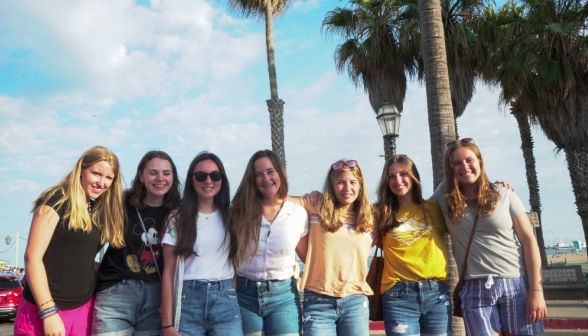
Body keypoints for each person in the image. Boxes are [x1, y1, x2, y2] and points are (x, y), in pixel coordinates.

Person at [431, 138, 546, 336]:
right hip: (473, 288)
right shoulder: (443, 196)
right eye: (457, 163)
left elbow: (528, 241)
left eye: (469, 160)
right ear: (451, 169)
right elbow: (417, 212)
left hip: (515, 283)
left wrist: (536, 290)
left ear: (480, 162)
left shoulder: (504, 193)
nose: (464, 167)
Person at [15, 146, 125, 336]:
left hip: (83, 308)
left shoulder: (96, 209)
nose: (101, 182)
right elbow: (32, 258)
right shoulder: (56, 199)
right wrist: (48, 312)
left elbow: (78, 256)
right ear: (82, 169)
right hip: (44, 310)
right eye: (96, 174)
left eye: (108, 178)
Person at [92, 151, 181, 336]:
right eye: (153, 172)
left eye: (166, 173)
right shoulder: (121, 203)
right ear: (141, 176)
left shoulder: (178, 212)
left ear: (173, 176)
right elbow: (88, 239)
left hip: (157, 298)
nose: (160, 178)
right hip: (116, 293)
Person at [160, 152, 242, 336]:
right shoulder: (176, 219)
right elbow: (169, 272)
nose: (208, 181)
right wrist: (167, 324)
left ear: (222, 179)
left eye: (215, 175)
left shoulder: (232, 217)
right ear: (191, 180)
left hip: (226, 301)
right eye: (200, 176)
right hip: (188, 302)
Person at [231, 149, 309, 336]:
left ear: (281, 173)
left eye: (270, 171)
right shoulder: (238, 212)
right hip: (244, 295)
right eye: (259, 174)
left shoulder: (297, 213)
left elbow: (309, 258)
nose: (266, 179)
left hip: (284, 297)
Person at [374, 154, 451, 336]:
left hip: (437, 294)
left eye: (403, 174)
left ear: (414, 177)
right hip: (398, 296)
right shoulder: (380, 212)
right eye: (391, 176)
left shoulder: (434, 208)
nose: (398, 181)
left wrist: (501, 187)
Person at [300, 159, 373, 336]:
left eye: (353, 182)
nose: (347, 188)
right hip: (318, 301)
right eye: (340, 182)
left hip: (355, 302)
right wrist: (307, 197)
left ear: (360, 185)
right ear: (331, 186)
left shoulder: (371, 217)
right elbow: (279, 200)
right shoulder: (316, 209)